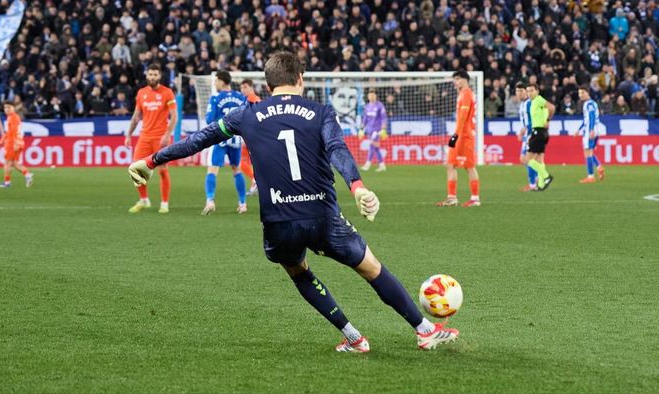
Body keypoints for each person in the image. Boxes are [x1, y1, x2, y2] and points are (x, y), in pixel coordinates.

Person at [127, 50, 458, 352]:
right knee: (371, 268)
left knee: (299, 271)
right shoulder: (320, 113)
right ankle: (423, 328)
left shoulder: (247, 115)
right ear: (300, 79)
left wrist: (152, 160)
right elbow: (337, 150)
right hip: (322, 214)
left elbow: (200, 138)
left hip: (279, 220)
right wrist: (357, 186)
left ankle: (354, 337)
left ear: (268, 85)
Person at [126, 64, 175, 213]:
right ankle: (144, 200)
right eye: (150, 74)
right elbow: (136, 117)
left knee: (162, 170)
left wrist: (167, 135)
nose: (152, 77)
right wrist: (129, 134)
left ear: (159, 76)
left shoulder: (167, 92)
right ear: (147, 75)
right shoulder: (141, 93)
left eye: (155, 74)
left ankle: (164, 203)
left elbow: (174, 116)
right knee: (135, 169)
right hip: (144, 137)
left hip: (160, 138)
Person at [202, 70, 249, 215]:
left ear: (222, 81)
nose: (215, 83)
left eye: (216, 80)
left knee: (212, 170)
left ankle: (210, 201)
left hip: (220, 137)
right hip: (235, 139)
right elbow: (246, 118)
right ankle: (242, 204)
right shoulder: (241, 97)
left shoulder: (216, 98)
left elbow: (210, 119)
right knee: (236, 170)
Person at [437, 70, 479, 207]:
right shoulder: (462, 94)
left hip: (465, 136)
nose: (455, 82)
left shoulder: (466, 94)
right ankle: (452, 198)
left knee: (469, 167)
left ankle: (475, 199)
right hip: (461, 134)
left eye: (458, 79)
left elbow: (463, 116)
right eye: (454, 79)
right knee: (451, 164)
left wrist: (455, 135)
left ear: (465, 79)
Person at [525, 78, 553, 190]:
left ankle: (546, 176)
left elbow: (551, 107)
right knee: (539, 159)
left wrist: (548, 120)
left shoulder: (538, 100)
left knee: (528, 160)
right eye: (528, 91)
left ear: (537, 91)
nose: (529, 93)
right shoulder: (534, 102)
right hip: (543, 132)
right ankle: (541, 184)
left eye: (532, 90)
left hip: (538, 131)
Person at [0, 99, 32, 188]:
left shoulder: (13, 117)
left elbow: (14, 131)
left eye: (9, 107)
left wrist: (15, 143)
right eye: (5, 107)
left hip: (12, 143)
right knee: (15, 163)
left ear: (13, 108)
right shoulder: (13, 117)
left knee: (7, 162)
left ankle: (7, 183)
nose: (7, 109)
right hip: (18, 142)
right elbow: (9, 132)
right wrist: (2, 140)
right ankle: (27, 175)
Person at [239, 77, 261, 196]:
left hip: (252, 135)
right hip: (250, 134)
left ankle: (256, 182)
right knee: (245, 162)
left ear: (251, 87)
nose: (243, 90)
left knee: (240, 162)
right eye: (241, 88)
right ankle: (256, 183)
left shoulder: (253, 99)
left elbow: (257, 117)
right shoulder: (247, 99)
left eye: (245, 87)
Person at [578, 85, 604, 183]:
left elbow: (592, 116)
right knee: (590, 152)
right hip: (594, 129)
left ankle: (590, 176)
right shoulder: (591, 103)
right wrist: (579, 129)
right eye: (579, 93)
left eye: (582, 93)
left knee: (587, 152)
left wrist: (591, 129)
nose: (580, 95)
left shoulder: (589, 104)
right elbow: (586, 120)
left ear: (588, 93)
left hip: (590, 130)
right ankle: (599, 167)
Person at [514, 84, 538, 191]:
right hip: (528, 134)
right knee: (525, 159)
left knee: (526, 159)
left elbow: (534, 119)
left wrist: (525, 129)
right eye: (517, 91)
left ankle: (532, 184)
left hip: (531, 133)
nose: (519, 93)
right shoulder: (523, 104)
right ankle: (537, 178)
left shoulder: (529, 103)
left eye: (521, 91)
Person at [360, 88, 388, 172]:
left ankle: (367, 163)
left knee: (372, 145)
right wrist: (361, 129)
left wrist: (383, 128)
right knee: (376, 147)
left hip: (377, 129)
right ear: (368, 96)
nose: (371, 96)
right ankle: (382, 164)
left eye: (373, 95)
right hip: (369, 129)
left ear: (376, 96)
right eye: (370, 95)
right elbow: (365, 119)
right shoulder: (367, 107)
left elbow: (384, 118)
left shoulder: (380, 106)